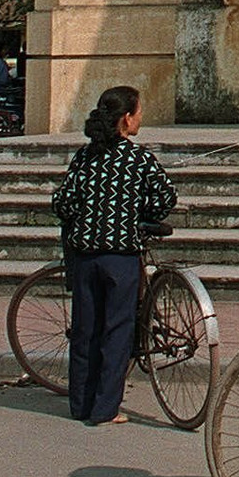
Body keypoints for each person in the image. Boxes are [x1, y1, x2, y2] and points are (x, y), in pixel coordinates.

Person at [51, 85, 177, 425]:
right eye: (138, 112)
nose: (140, 118)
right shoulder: (138, 158)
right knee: (117, 331)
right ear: (126, 118)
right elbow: (166, 197)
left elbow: (63, 203)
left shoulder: (84, 157)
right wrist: (141, 212)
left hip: (85, 256)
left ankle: (81, 404)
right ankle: (106, 409)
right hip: (120, 257)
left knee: (85, 330)